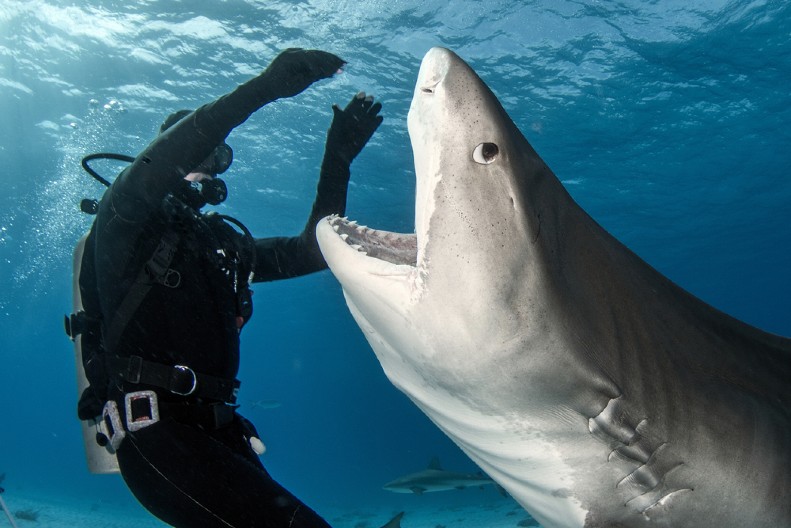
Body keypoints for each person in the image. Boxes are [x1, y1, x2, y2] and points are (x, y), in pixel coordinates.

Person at [74, 48, 387, 527]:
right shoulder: (125, 217)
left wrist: (338, 155)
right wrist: (264, 88)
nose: (209, 167)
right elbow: (165, 161)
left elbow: (313, 250)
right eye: (197, 154)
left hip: (220, 432)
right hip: (155, 436)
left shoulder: (219, 246)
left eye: (217, 160)